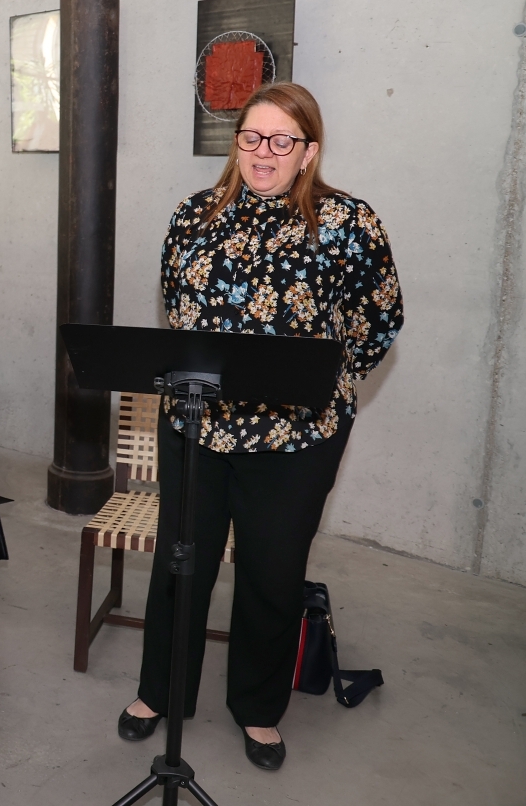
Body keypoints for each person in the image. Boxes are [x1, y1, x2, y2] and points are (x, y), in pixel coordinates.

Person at [117, 82, 403, 770]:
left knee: (271, 576)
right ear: (236, 143)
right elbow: (174, 305)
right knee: (181, 566)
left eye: (282, 140)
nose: (264, 152)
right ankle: (161, 691)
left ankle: (258, 708)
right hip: (197, 429)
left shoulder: (348, 222)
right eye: (251, 137)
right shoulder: (194, 215)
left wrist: (321, 385)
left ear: (309, 151)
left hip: (295, 441)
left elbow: (379, 320)